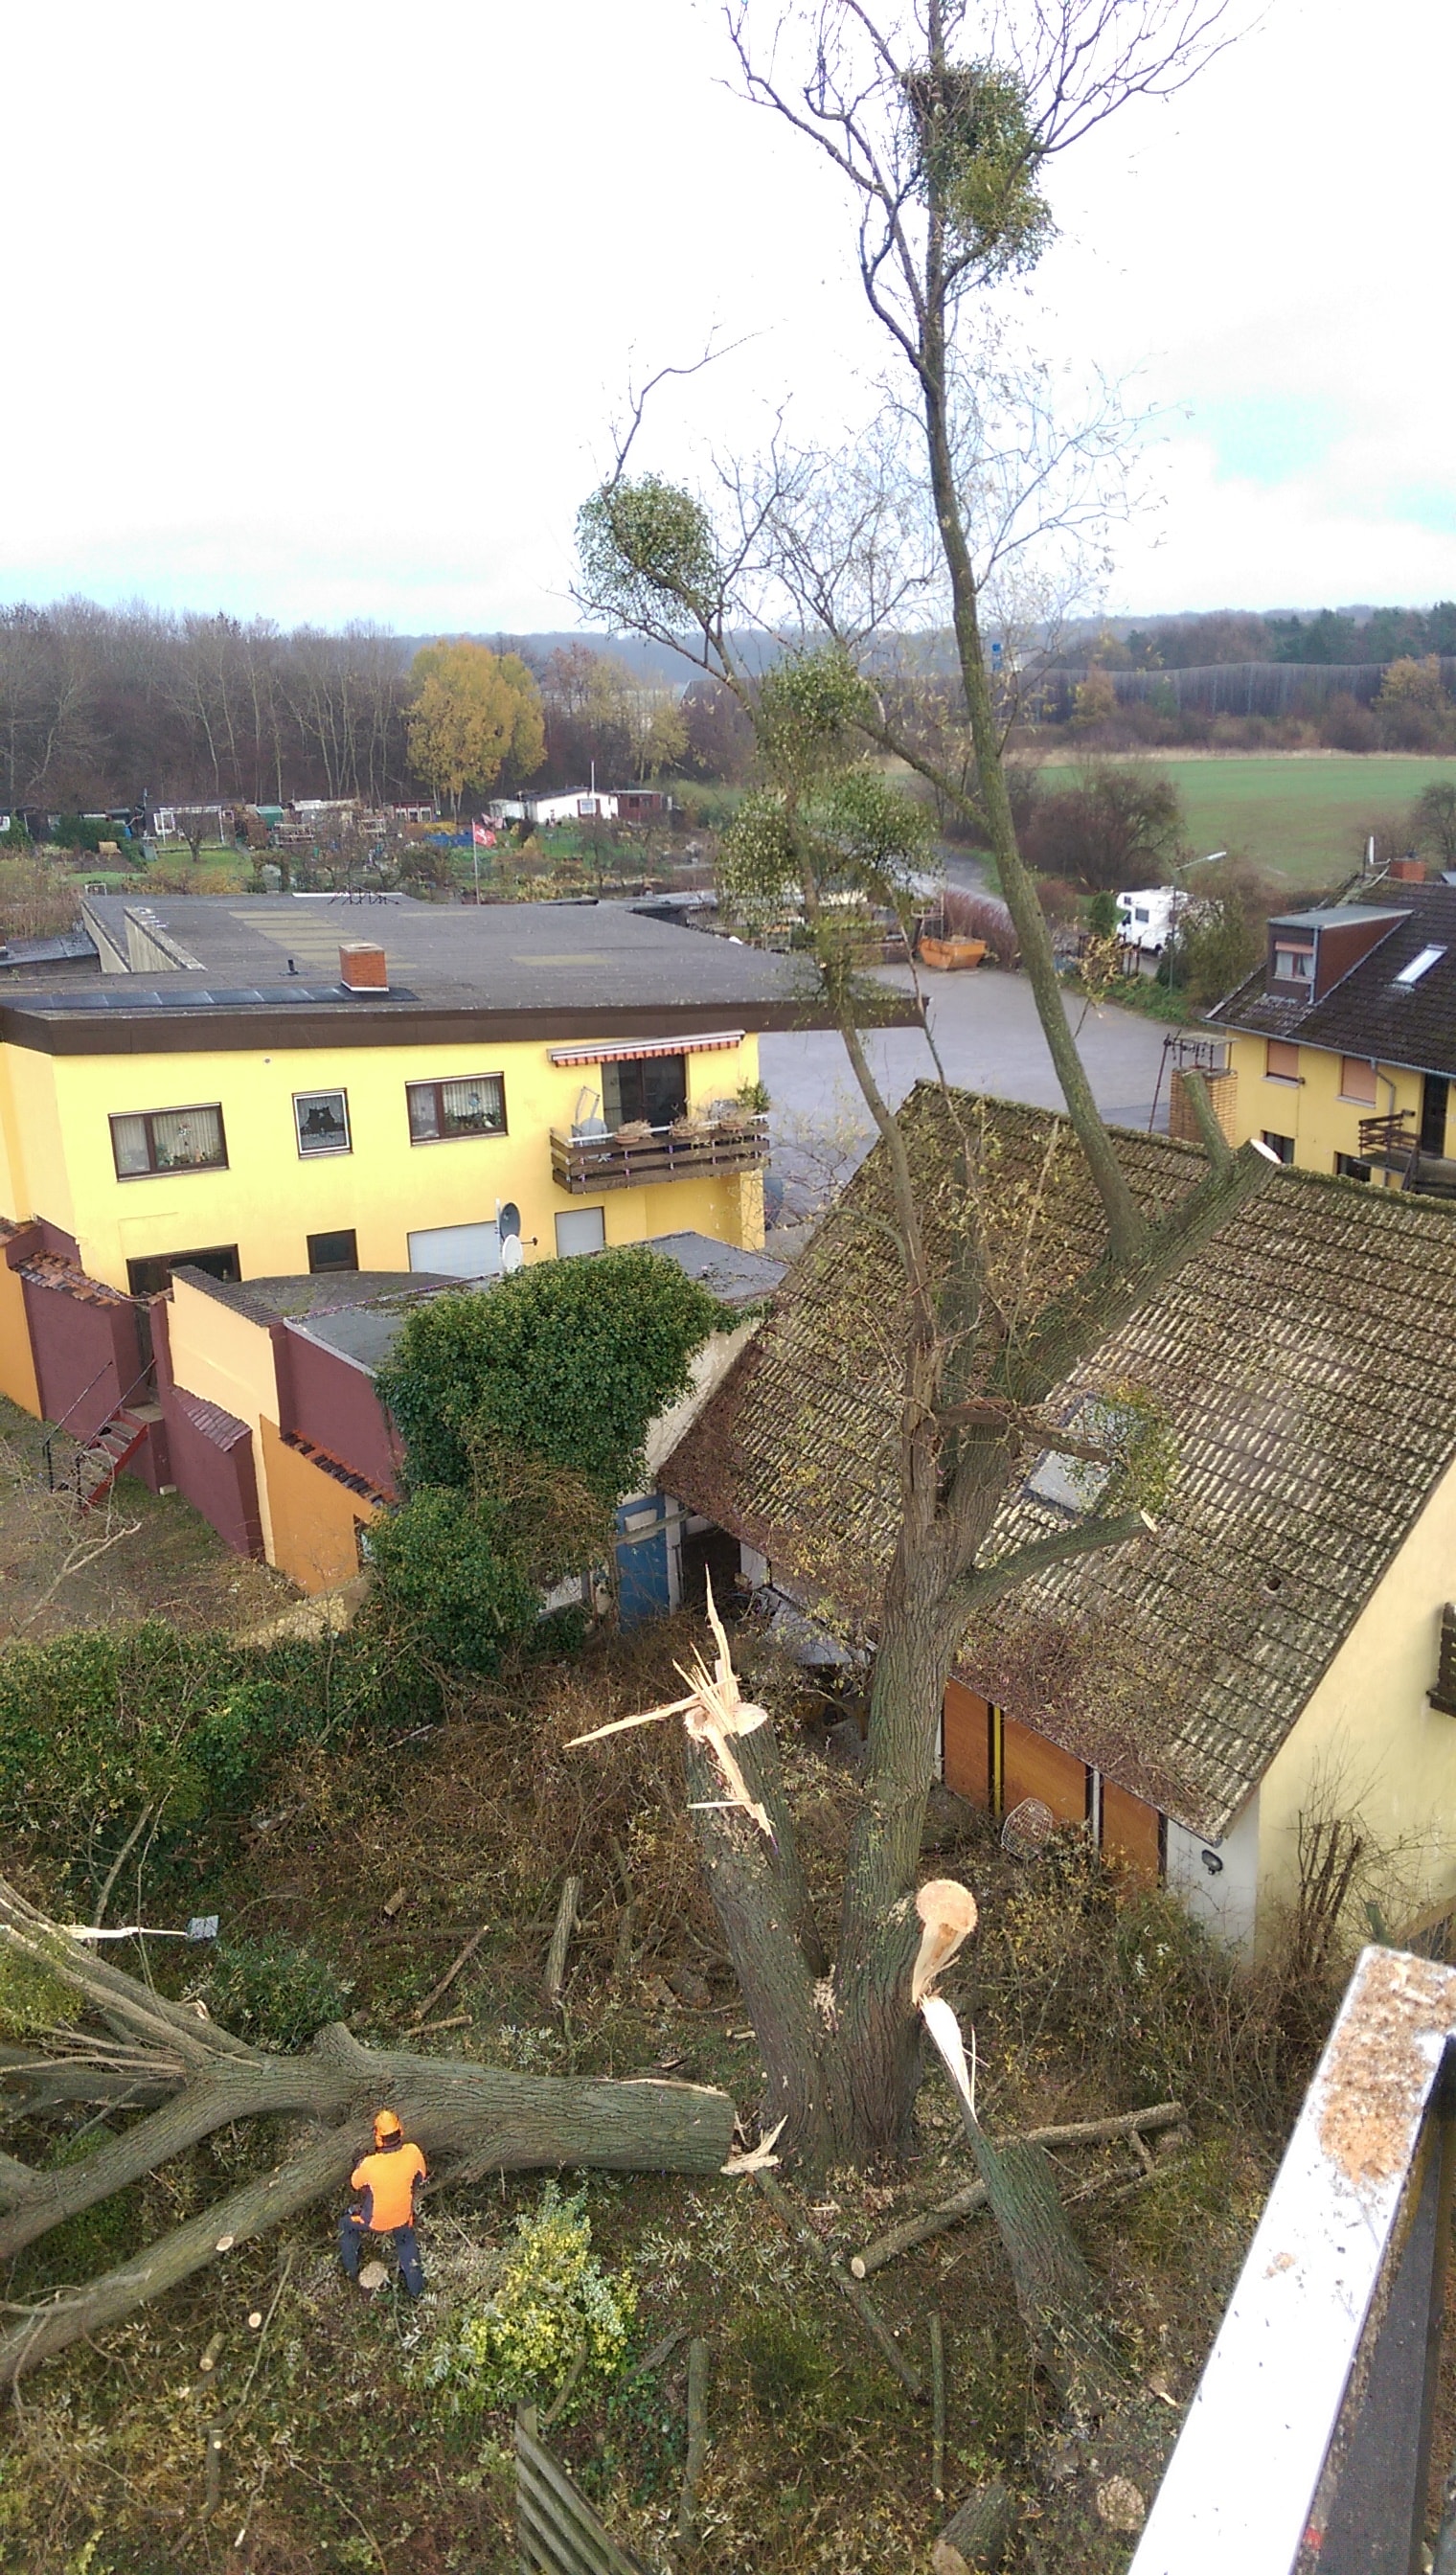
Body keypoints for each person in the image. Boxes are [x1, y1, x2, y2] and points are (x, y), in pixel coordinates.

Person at [338, 2109, 427, 2298]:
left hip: (374, 2221)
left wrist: (359, 2164)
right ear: (400, 2130)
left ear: (377, 2137)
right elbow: (420, 2178)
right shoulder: (413, 2152)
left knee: (346, 2224)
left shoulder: (369, 2165)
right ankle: (417, 2291)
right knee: (406, 2240)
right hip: (403, 2215)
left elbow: (356, 2184)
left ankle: (351, 2270)